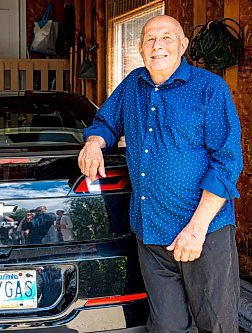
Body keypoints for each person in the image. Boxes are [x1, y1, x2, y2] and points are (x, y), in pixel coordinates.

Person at [78, 15, 243, 333]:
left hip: (203, 234)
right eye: (150, 39)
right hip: (152, 234)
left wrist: (196, 229)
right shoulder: (132, 85)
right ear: (140, 48)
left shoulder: (210, 89)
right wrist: (94, 143)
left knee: (218, 325)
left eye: (167, 37)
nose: (158, 45)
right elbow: (107, 121)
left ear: (183, 45)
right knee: (166, 326)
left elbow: (227, 163)